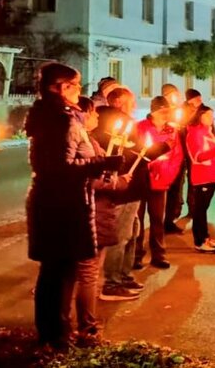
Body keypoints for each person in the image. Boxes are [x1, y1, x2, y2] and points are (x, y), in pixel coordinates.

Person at [25, 62, 122, 349]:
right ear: (62, 87)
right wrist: (102, 162)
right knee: (60, 272)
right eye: (75, 85)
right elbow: (60, 166)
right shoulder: (62, 120)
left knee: (55, 271)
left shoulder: (49, 116)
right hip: (63, 206)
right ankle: (56, 336)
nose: (79, 91)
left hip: (56, 202)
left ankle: (54, 333)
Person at [74, 96, 132, 343]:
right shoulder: (82, 142)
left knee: (91, 271)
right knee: (87, 271)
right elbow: (93, 177)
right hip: (91, 210)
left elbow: (103, 171)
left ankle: (84, 322)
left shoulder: (91, 141)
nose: (96, 117)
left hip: (98, 210)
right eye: (93, 113)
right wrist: (117, 181)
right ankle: (86, 326)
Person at [95, 89, 151, 300]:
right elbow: (124, 154)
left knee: (132, 233)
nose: (134, 106)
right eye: (131, 101)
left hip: (131, 188)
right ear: (118, 102)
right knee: (120, 235)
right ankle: (112, 282)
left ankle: (124, 275)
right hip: (123, 189)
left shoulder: (118, 122)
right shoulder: (113, 124)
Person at [135, 96, 183, 269]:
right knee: (137, 220)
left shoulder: (172, 130)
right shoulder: (140, 127)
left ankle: (159, 255)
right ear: (153, 112)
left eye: (168, 111)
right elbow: (136, 151)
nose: (166, 115)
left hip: (161, 179)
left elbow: (177, 155)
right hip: (141, 179)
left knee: (157, 220)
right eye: (162, 111)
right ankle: (136, 254)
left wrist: (169, 175)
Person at [186, 104, 215, 254]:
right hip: (203, 177)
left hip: (212, 176)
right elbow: (197, 157)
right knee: (200, 210)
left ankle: (205, 237)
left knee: (203, 209)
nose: (211, 118)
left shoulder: (207, 132)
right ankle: (200, 241)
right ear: (200, 116)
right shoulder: (195, 133)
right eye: (208, 115)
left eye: (212, 116)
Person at [166, 88, 203, 232]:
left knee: (194, 181)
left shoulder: (201, 111)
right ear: (189, 100)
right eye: (197, 99)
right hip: (180, 152)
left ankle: (192, 208)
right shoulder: (180, 112)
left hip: (192, 151)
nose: (199, 101)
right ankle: (174, 212)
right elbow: (181, 129)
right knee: (177, 183)